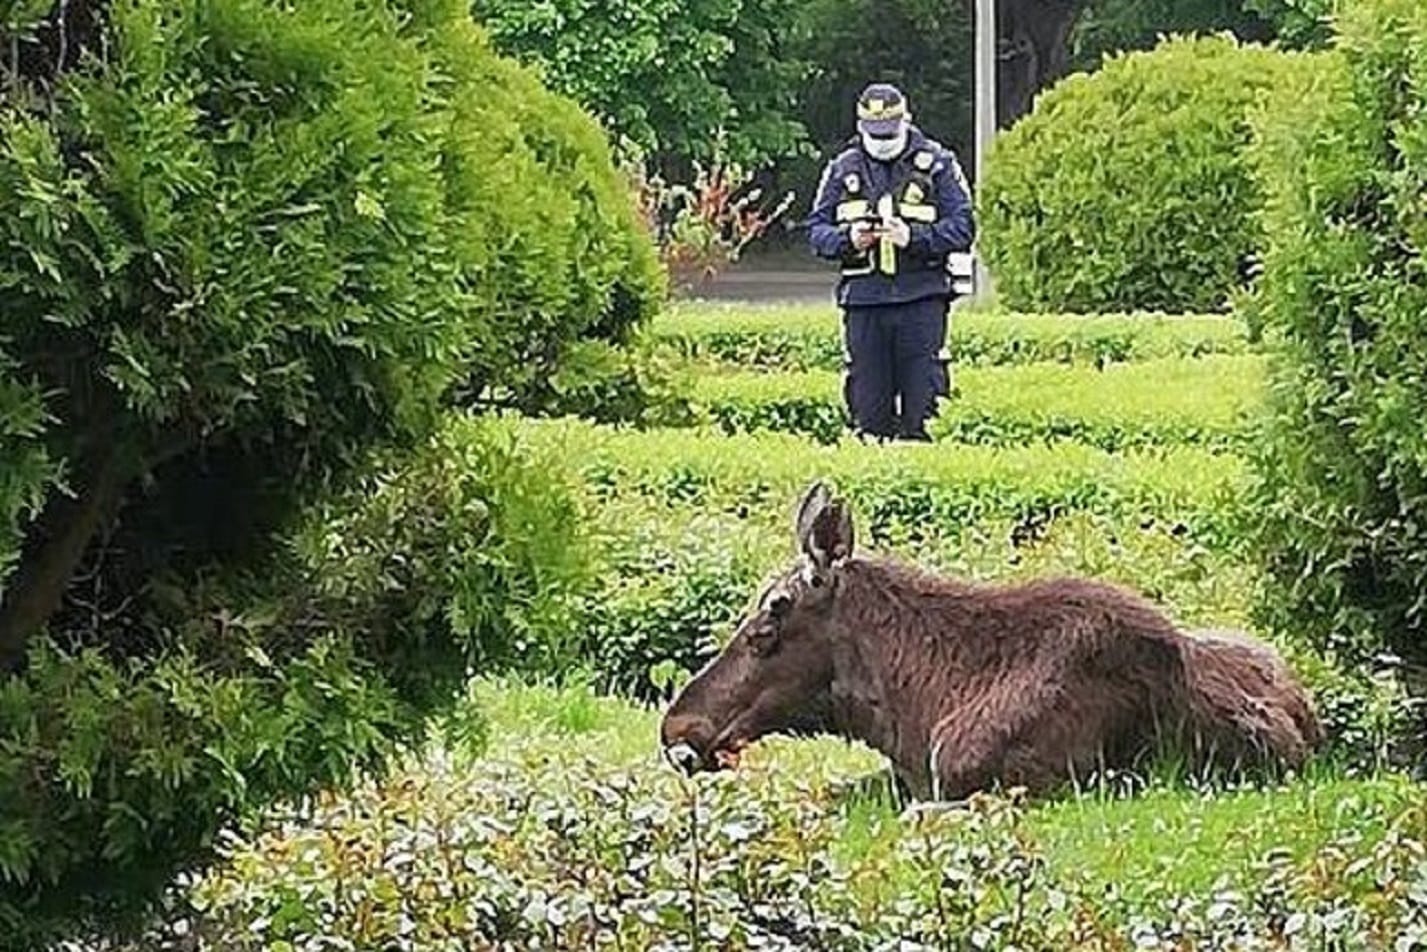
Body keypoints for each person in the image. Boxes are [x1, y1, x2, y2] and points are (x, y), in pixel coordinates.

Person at [807, 83, 975, 441]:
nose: (882, 141)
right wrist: (848, 239)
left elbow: (964, 227)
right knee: (867, 410)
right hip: (864, 303)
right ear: (860, 127)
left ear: (906, 120)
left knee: (926, 408)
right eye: (875, 134)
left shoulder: (938, 164)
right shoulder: (842, 169)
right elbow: (816, 232)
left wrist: (912, 237)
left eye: (889, 133)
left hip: (922, 300)